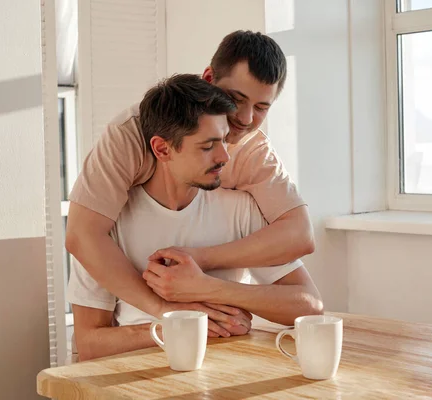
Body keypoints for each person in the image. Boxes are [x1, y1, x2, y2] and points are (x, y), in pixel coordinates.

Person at [65, 31, 316, 337]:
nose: (246, 119)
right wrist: (169, 314)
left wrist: (203, 267)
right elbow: (82, 234)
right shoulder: (131, 134)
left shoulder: (254, 155)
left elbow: (301, 235)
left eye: (262, 107)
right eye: (236, 100)